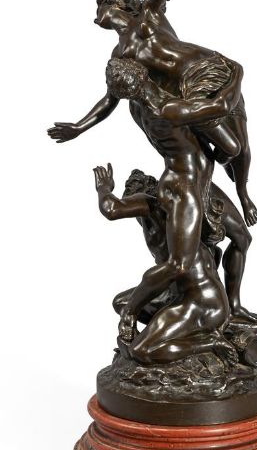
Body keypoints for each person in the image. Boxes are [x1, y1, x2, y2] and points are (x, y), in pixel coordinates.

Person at [47, 0, 257, 227]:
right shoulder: (121, 56)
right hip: (188, 94)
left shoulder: (149, 15)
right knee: (230, 147)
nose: (94, 17)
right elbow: (110, 100)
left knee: (242, 149)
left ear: (113, 5)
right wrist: (79, 127)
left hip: (207, 69)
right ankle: (208, 186)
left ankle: (242, 194)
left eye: (98, 8)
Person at [99, 57, 243, 331]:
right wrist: (237, 73)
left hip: (187, 185)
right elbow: (223, 111)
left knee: (224, 244)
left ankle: (208, 307)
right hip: (183, 189)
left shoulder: (138, 109)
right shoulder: (169, 109)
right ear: (142, 74)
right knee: (179, 263)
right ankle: (131, 311)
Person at [93, 164, 238, 365]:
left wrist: (104, 188)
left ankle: (209, 343)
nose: (131, 204)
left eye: (131, 198)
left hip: (202, 302)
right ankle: (163, 337)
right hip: (180, 294)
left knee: (141, 351)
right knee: (121, 303)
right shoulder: (166, 220)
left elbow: (111, 209)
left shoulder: (154, 206)